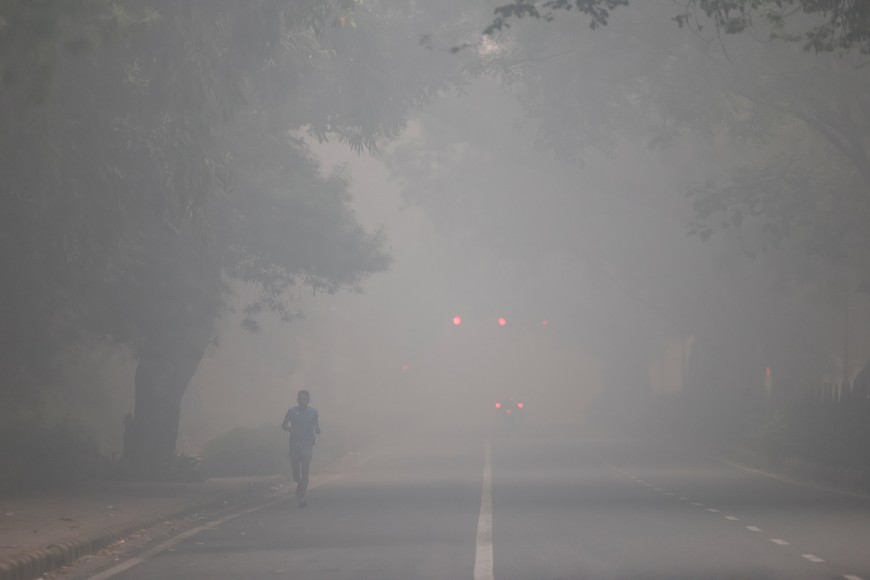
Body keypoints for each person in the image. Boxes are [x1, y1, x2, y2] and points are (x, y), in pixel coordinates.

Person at [282, 389, 320, 507]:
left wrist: (318, 430)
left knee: (305, 469)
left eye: (305, 398)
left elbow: (316, 426)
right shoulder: (292, 411)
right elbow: (284, 425)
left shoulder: (313, 412)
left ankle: (302, 497)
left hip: (307, 444)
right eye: (301, 398)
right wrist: (292, 430)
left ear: (308, 400)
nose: (303, 400)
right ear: (298, 399)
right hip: (295, 444)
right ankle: (299, 483)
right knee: (295, 471)